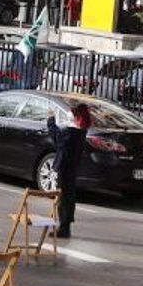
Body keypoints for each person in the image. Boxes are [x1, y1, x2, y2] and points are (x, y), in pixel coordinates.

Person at [48, 102, 92, 239]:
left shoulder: (71, 132)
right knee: (68, 195)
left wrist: (50, 119)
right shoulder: (80, 131)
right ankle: (65, 226)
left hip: (65, 166)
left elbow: (56, 137)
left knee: (64, 197)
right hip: (71, 166)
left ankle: (64, 227)